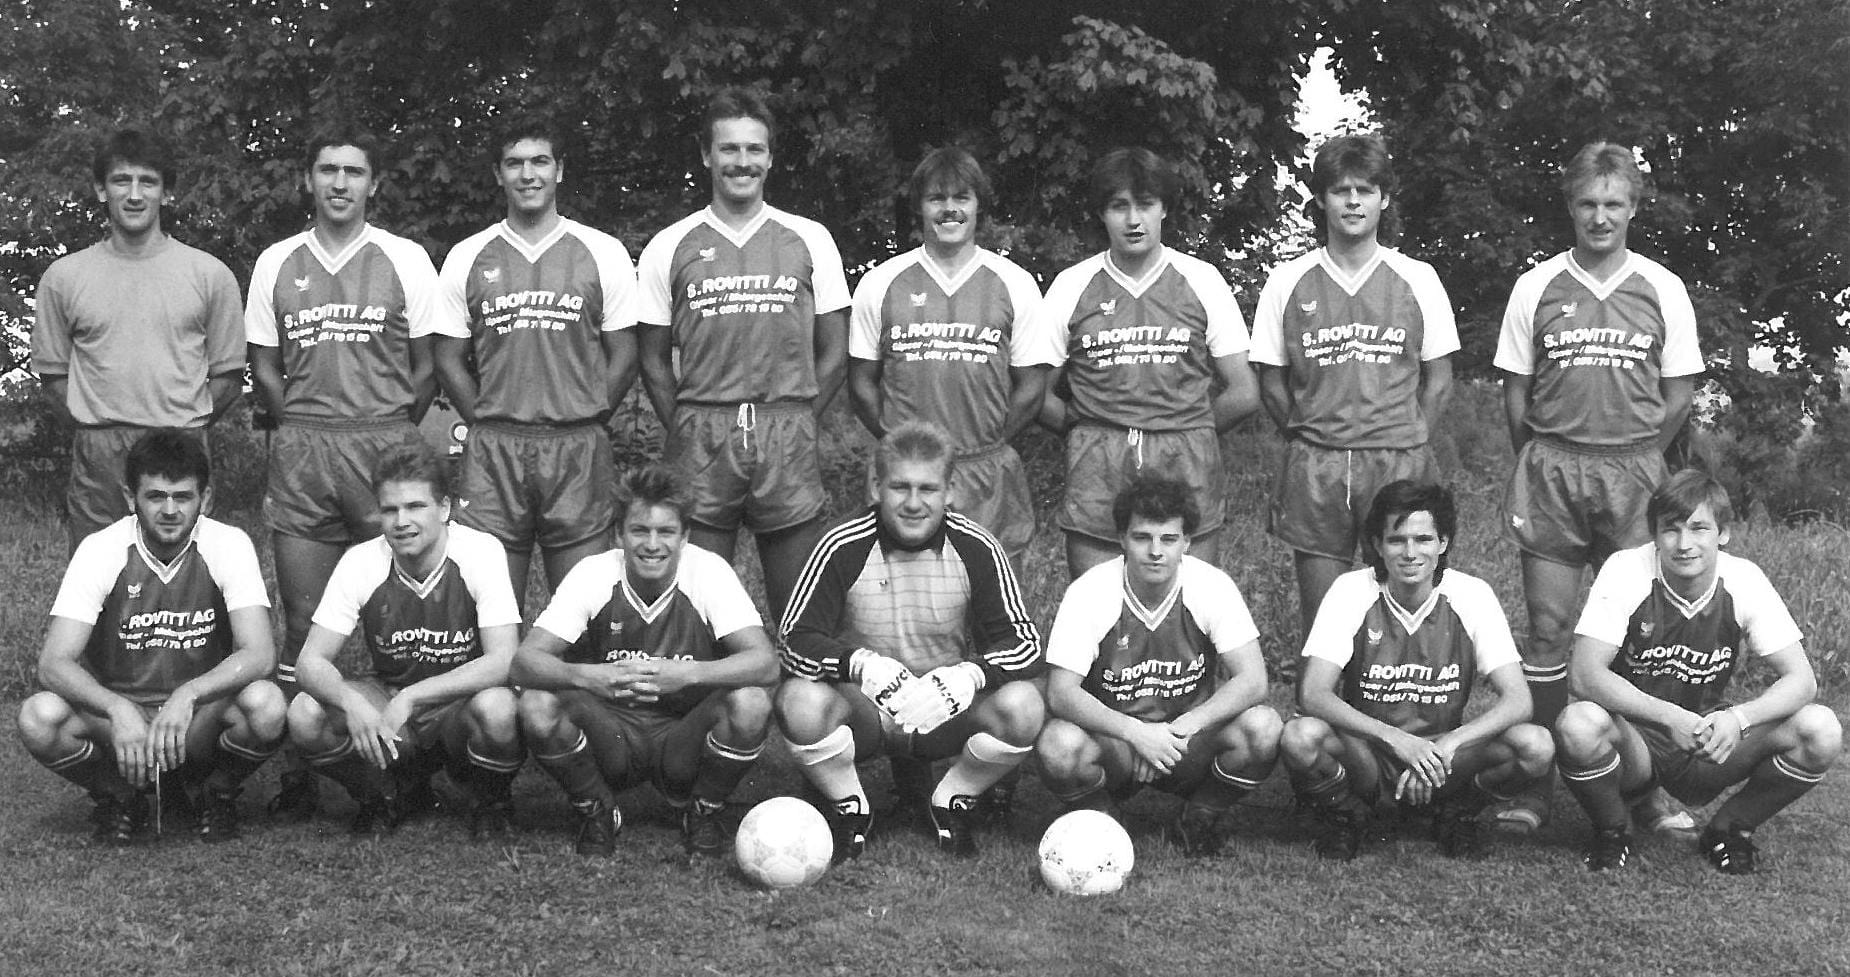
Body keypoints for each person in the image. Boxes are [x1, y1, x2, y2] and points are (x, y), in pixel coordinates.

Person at [1491, 142, 1705, 833]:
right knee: (1548, 630)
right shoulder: (1537, 286)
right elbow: (1516, 391)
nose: (1600, 217)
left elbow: (1678, 394)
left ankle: (1644, 788)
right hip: (1553, 468)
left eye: (1614, 203)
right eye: (1588, 203)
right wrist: (1545, 457)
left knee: (1638, 637)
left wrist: (1633, 451)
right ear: (1571, 206)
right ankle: (1535, 783)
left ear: (1633, 207)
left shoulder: (1662, 287)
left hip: (1636, 470)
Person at [246, 127, 441, 820]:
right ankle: (301, 769)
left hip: (383, 444)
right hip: (304, 449)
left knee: (402, 611)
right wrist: (301, 421)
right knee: (304, 618)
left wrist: (389, 424)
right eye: (327, 169)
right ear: (308, 179)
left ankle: (416, 759)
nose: (339, 183)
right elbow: (264, 364)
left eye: (353, 171)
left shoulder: (405, 258)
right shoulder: (276, 261)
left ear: (373, 183)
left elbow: (427, 365)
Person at [778, 421, 1045, 859]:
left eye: (928, 489)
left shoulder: (977, 546)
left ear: (950, 491)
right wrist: (858, 664)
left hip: (942, 709)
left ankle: (952, 800)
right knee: (799, 700)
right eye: (900, 487)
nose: (914, 503)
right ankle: (849, 806)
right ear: (876, 487)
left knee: (1024, 704)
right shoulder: (841, 546)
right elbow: (793, 640)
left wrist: (970, 675)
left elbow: (1024, 643)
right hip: (865, 709)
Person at [631, 88, 851, 619]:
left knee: (800, 608)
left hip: (786, 428)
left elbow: (836, 349)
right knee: (698, 607)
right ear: (707, 155)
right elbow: (653, 359)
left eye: (754, 149)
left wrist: (802, 416)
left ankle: (797, 673)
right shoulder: (670, 244)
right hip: (703, 431)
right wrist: (685, 423)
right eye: (729, 149)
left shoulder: (810, 238)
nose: (742, 162)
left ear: (770, 157)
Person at [1555, 470, 1841, 873]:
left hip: (1706, 739)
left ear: (1723, 533)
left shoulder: (1743, 579)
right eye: (1670, 529)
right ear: (1654, 535)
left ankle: (1729, 830)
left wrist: (1738, 718)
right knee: (1578, 724)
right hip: (1635, 740)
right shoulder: (1626, 569)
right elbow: (1584, 675)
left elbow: (1802, 680)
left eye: (1698, 528)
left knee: (1821, 729)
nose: (1684, 543)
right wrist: (1669, 717)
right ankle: (1613, 830)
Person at [16, 430, 284, 844]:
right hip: (122, 723)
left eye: (183, 497)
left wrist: (188, 694)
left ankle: (213, 791)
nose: (170, 510)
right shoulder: (101, 549)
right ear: (131, 498)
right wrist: (116, 707)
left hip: (196, 718)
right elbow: (54, 663)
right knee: (38, 718)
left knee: (267, 705)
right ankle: (120, 796)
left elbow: (260, 653)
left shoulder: (228, 544)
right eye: (156, 496)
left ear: (206, 498)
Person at [511, 464, 778, 857]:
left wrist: (688, 674)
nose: (652, 544)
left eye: (666, 531)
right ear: (619, 534)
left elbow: (765, 662)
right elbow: (524, 662)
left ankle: (703, 809)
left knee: (751, 702)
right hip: (612, 735)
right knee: (537, 703)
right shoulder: (594, 574)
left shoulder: (707, 571)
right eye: (639, 530)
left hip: (683, 735)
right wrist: (589, 677)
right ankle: (597, 808)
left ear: (684, 536)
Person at [1280, 480, 1553, 861]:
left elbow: (1519, 700)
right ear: (1378, 545)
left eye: (1423, 539)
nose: (1410, 553)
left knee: (1535, 745)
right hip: (1371, 752)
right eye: (1397, 540)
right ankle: (1349, 813)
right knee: (1300, 736)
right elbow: (1313, 693)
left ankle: (1458, 812)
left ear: (1443, 543)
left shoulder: (1471, 594)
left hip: (1443, 759)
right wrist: (1395, 739)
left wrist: (1449, 744)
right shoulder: (1351, 590)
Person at [1251, 134, 1457, 637]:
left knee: (1403, 605)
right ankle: (1324, 689)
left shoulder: (1417, 277)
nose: (1352, 201)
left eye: (1365, 190)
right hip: (1317, 462)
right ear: (1321, 199)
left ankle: (1399, 684)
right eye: (1340, 190)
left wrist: (1407, 437)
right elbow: (1271, 380)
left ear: (1384, 198)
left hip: (1397, 458)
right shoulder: (1288, 280)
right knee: (1323, 619)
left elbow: (1439, 380)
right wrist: (1307, 434)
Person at [429, 116, 637, 610]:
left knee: (582, 605)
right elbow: (447, 357)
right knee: (492, 608)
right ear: (498, 174)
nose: (528, 174)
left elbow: (626, 351)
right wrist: (484, 418)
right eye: (514, 163)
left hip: (577, 444)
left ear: (559, 170)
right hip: (495, 447)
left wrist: (590, 412)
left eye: (540, 161)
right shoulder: (468, 255)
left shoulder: (603, 252)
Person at [1036, 148, 1259, 579]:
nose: (1133, 220)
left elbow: (1244, 391)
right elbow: (1037, 393)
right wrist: (1087, 430)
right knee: (1097, 606)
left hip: (1186, 458)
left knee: (1189, 604)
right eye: (1119, 206)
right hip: (1099, 463)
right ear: (1101, 213)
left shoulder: (1202, 279)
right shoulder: (1072, 285)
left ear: (1164, 209)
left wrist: (1187, 428)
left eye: (1145, 204)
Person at [286, 445, 524, 838]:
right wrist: (351, 703)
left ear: (444, 508)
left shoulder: (480, 552)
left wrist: (414, 696)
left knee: (499, 708)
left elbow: (504, 659)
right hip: (392, 696)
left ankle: (491, 799)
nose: (401, 521)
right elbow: (310, 661)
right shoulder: (362, 561)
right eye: (389, 510)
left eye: (415, 506)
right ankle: (382, 795)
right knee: (304, 713)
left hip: (459, 703)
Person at [1035, 474, 1279, 856]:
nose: (1155, 551)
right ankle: (1103, 821)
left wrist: (1179, 729)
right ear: (1121, 539)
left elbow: (1253, 680)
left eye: (1168, 539)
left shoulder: (1211, 585)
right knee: (1057, 745)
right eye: (1142, 537)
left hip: (1185, 743)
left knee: (1263, 727)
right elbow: (1061, 693)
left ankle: (1199, 817)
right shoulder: (1089, 592)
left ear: (1187, 542)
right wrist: (1136, 734)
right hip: (1116, 743)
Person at [31, 130, 244, 551]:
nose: (134, 194)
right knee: (99, 570)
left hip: (181, 444)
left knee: (183, 572)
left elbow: (229, 378)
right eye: (121, 180)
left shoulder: (210, 275)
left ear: (166, 192)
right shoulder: (64, 278)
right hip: (100, 452)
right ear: (100, 189)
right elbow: (54, 379)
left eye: (147, 181)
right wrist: (99, 426)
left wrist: (183, 427)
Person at [847, 146, 1054, 566]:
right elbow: (861, 382)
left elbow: (1032, 386)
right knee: (903, 592)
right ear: (919, 207)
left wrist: (990, 441)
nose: (949, 209)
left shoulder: (1014, 283)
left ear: (978, 205)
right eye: (936, 198)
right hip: (908, 475)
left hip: (985, 469)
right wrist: (899, 446)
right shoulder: (880, 283)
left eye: (962, 197)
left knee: (993, 594)